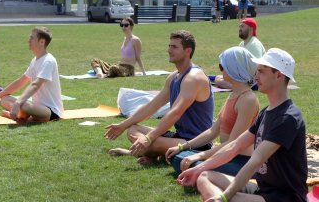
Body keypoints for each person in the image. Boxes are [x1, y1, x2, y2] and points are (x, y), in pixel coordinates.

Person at [178, 48, 309, 202]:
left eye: (262, 71)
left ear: (278, 75)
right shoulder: (267, 112)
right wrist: (198, 167)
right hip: (262, 190)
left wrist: (224, 198)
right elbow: (234, 147)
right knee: (204, 176)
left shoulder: (287, 117)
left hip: (286, 200)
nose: (256, 76)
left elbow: (255, 161)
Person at [105, 30, 214, 164]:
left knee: (150, 141)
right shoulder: (174, 77)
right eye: (169, 46)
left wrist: (149, 138)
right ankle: (155, 154)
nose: (169, 50)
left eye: (174, 47)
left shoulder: (193, 77)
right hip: (179, 137)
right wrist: (122, 125)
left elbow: (175, 113)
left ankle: (147, 153)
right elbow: (151, 106)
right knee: (133, 130)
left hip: (195, 143)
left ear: (188, 51)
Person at [166, 47, 259, 176]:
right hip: (225, 154)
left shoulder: (248, 99)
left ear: (233, 69)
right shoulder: (234, 95)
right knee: (179, 157)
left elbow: (233, 143)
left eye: (222, 67)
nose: (220, 70)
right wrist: (182, 147)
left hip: (241, 160)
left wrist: (200, 156)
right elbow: (212, 131)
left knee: (192, 163)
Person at [0, 26, 63, 123]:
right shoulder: (35, 60)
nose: (29, 40)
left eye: (32, 38)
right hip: (36, 107)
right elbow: (20, 81)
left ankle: (21, 116)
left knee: (23, 104)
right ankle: (22, 117)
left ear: (42, 42)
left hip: (51, 111)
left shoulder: (48, 61)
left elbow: (36, 84)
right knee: (4, 99)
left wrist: (18, 102)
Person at [214, 18, 265, 89]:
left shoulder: (254, 43)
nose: (240, 29)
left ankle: (239, 87)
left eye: (242, 26)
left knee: (219, 81)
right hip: (245, 78)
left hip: (254, 81)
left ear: (250, 29)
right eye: (240, 26)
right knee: (218, 78)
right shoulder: (242, 44)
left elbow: (257, 67)